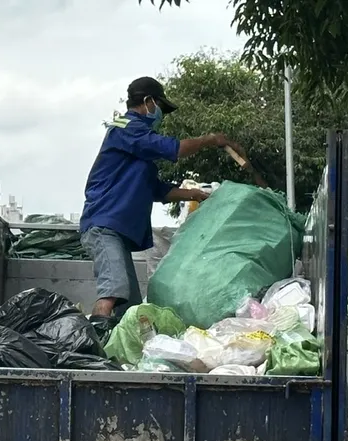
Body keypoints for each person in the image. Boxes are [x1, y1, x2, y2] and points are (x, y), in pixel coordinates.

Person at [79, 76, 243, 322]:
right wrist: (210, 140)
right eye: (161, 108)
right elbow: (174, 149)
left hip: (116, 231)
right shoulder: (127, 128)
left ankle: (115, 353)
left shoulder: (138, 148)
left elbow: (156, 189)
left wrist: (195, 194)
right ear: (148, 102)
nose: (161, 116)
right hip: (104, 226)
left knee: (130, 310)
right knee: (112, 293)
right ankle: (89, 352)